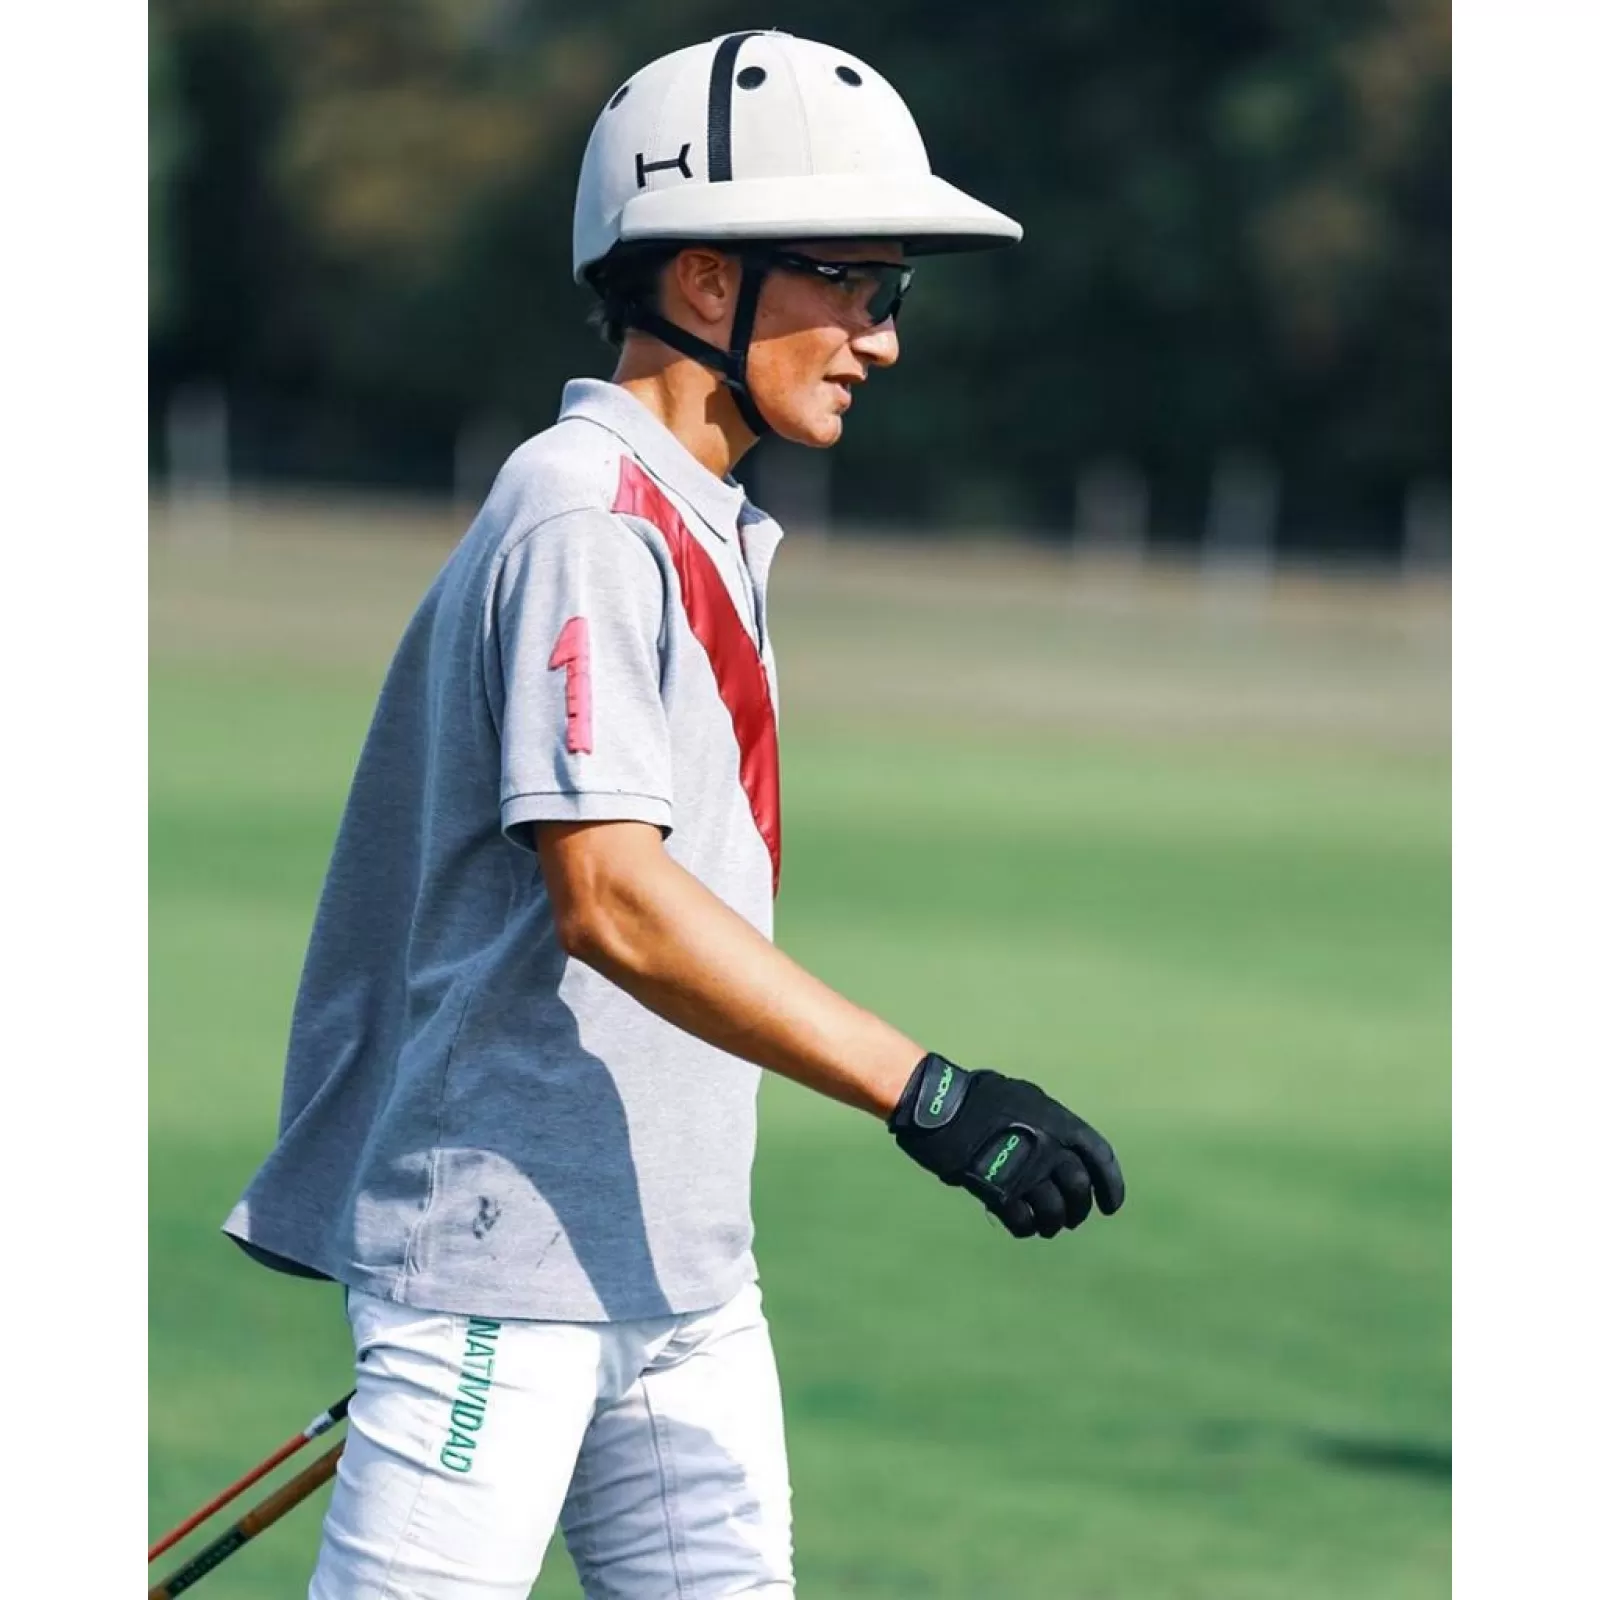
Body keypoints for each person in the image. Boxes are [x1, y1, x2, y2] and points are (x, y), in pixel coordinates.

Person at [224, 29, 1125, 1599]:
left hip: (678, 1268)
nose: (882, 338)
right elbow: (612, 900)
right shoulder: (584, 512)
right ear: (707, 282)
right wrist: (928, 1095)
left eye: (890, 295)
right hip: (502, 1268)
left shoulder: (696, 519)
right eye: (854, 285)